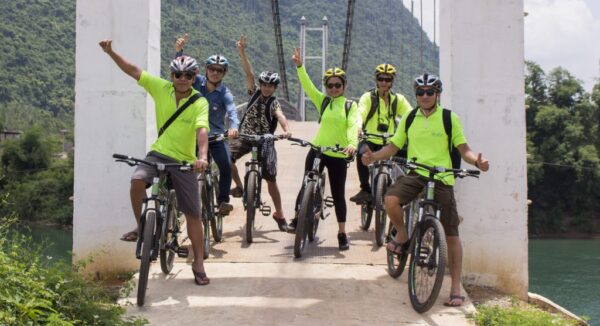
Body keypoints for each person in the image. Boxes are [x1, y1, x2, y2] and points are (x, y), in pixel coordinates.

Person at [361, 73, 490, 306]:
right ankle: (402, 233)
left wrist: (477, 162)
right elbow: (393, 146)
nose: (425, 96)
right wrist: (373, 157)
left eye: (430, 92)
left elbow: (463, 149)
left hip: (442, 177)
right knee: (390, 199)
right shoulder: (410, 118)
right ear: (416, 95)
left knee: (451, 234)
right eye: (420, 92)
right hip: (416, 174)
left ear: (437, 94)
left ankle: (455, 287)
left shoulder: (449, 118)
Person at [100, 39, 211, 285]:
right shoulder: (161, 88)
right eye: (178, 74)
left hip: (184, 160)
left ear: (194, 78)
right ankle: (142, 227)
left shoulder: (200, 102)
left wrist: (202, 157)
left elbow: (202, 131)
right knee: (137, 180)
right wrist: (111, 52)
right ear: (171, 75)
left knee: (193, 214)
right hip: (158, 153)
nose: (182, 78)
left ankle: (199, 263)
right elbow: (133, 70)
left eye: (188, 75)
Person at [289, 48, 358, 250]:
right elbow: (308, 86)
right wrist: (300, 67)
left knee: (338, 194)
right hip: (318, 150)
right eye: (330, 85)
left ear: (344, 86)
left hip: (338, 155)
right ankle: (296, 218)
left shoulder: (350, 106)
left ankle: (342, 233)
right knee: (306, 182)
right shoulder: (324, 101)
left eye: (338, 85)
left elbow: (354, 125)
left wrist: (352, 144)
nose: (334, 88)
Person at [229, 35, 292, 231]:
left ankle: (280, 214)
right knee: (226, 158)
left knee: (271, 179)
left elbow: (280, 116)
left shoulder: (274, 102)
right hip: (245, 137)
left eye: (270, 85)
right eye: (264, 84)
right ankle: (240, 186)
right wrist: (242, 52)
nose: (266, 87)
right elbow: (249, 73)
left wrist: (287, 130)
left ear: (274, 88)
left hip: (265, 141)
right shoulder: (254, 93)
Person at [175, 34, 239, 215]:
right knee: (185, 168)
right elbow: (181, 74)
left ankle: (223, 201)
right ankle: (184, 205)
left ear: (224, 73)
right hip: (194, 134)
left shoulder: (225, 93)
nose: (215, 72)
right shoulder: (197, 82)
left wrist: (234, 127)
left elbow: (233, 111)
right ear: (206, 70)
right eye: (212, 69)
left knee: (226, 165)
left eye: (220, 70)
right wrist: (179, 51)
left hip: (216, 136)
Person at [350, 63, 413, 204]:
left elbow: (411, 116)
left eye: (388, 79)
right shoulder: (368, 97)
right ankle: (365, 190)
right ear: (376, 80)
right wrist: (359, 126)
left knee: (411, 157)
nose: (384, 82)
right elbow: (360, 113)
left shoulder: (398, 100)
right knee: (361, 155)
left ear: (392, 81)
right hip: (370, 139)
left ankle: (407, 188)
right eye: (381, 78)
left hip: (390, 142)